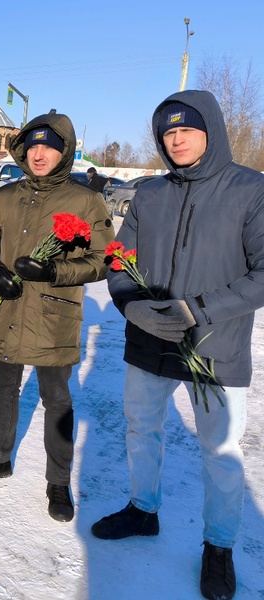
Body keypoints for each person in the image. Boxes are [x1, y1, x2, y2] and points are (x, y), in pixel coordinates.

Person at [90, 91, 264, 600]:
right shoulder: (149, 193)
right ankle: (143, 510)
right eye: (168, 133)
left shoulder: (251, 190)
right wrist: (130, 306)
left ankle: (219, 546)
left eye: (186, 129)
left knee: (221, 450)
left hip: (216, 346)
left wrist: (197, 311)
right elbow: (120, 260)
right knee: (142, 428)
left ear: (210, 129)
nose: (177, 139)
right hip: (150, 342)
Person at [0, 111, 114, 523]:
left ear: (64, 152)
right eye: (33, 146)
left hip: (52, 316)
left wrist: (54, 272)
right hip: (6, 307)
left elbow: (102, 260)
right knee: (4, 388)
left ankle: (59, 480)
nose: (39, 153)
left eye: (49, 146)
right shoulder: (5, 196)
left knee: (57, 399)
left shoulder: (85, 201)